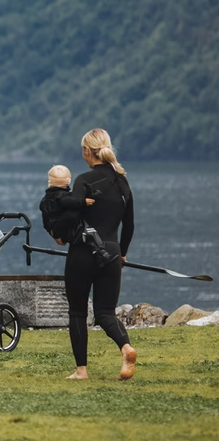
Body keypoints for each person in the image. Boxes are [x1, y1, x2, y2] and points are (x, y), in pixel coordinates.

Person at [63, 129, 137, 381]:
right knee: (106, 312)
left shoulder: (84, 180)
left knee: (77, 312)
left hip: (83, 251)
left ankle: (81, 370)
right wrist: (122, 253)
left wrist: (58, 233)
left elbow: (71, 217)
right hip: (112, 252)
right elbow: (129, 224)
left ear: (87, 151)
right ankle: (126, 348)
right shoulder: (122, 182)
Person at [39, 164, 94, 244]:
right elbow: (70, 202)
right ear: (69, 181)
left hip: (52, 228)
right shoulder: (62, 196)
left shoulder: (46, 199)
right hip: (64, 230)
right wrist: (83, 202)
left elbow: (45, 221)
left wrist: (53, 234)